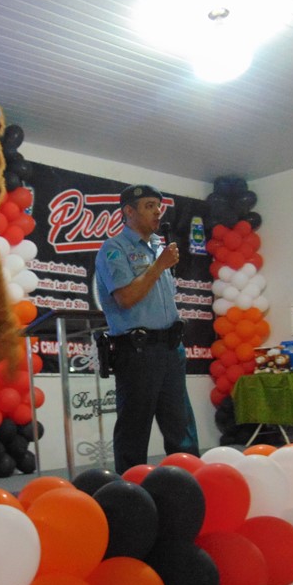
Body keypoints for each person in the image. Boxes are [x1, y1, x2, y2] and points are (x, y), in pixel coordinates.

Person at [95, 184, 200, 473]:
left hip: (171, 348)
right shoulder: (114, 249)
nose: (157, 212)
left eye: (158, 206)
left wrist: (160, 262)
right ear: (129, 211)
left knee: (181, 426)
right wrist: (158, 266)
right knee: (134, 429)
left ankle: (190, 483)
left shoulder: (158, 248)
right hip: (138, 351)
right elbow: (126, 298)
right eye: (149, 206)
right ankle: (130, 492)